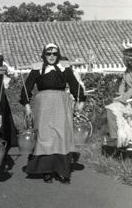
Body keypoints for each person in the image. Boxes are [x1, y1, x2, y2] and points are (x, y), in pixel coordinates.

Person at [19, 43, 85, 184]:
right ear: (44, 54)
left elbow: (74, 85)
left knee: (62, 137)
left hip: (61, 106)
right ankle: (47, 171)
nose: (51, 56)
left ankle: (62, 171)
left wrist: (81, 100)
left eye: (54, 54)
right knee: (45, 137)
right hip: (44, 107)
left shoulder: (64, 69)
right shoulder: (37, 70)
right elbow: (27, 88)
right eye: (48, 54)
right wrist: (26, 105)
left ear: (58, 54)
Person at [105, 47, 132, 147]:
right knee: (110, 110)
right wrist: (120, 94)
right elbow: (123, 83)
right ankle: (115, 137)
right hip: (128, 99)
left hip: (129, 99)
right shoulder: (127, 70)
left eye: (127, 57)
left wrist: (124, 98)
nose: (124, 59)